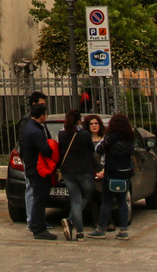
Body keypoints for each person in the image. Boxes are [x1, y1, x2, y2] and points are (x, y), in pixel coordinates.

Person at [17, 91, 57, 240]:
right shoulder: (35, 130)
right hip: (38, 168)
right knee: (39, 199)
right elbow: (45, 150)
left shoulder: (30, 127)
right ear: (42, 115)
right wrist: (52, 148)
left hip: (33, 167)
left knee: (37, 198)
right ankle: (39, 228)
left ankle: (35, 225)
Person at [53, 109, 98, 242]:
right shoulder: (84, 134)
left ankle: (79, 232)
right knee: (87, 195)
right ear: (79, 121)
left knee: (75, 200)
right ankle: (69, 220)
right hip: (84, 170)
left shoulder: (62, 134)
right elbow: (92, 149)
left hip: (67, 171)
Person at [93, 112, 136, 240]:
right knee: (122, 201)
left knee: (106, 202)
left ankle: (101, 229)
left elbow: (99, 150)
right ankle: (123, 230)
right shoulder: (130, 137)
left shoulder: (110, 137)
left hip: (111, 172)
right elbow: (132, 153)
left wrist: (99, 168)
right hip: (125, 172)